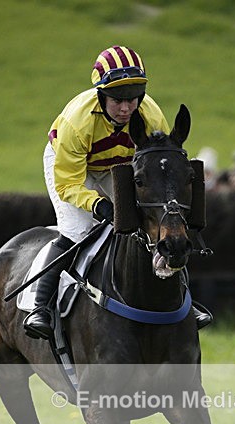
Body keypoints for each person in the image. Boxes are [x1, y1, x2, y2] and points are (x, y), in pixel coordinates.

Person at [24, 45, 211, 339]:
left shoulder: (150, 114)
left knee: (154, 222)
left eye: (133, 99)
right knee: (77, 230)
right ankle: (39, 306)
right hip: (73, 167)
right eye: (117, 100)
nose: (126, 108)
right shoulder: (77, 122)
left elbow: (155, 168)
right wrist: (98, 204)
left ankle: (182, 297)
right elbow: (68, 184)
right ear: (101, 94)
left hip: (120, 165)